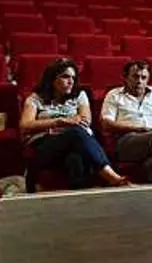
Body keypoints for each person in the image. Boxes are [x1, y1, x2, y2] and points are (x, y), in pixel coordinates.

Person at [19, 58, 129, 189]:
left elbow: (85, 121)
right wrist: (59, 122)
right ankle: (110, 176)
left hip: (75, 143)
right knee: (75, 133)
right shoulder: (35, 99)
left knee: (74, 159)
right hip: (45, 145)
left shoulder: (80, 95)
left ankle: (80, 196)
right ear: (52, 79)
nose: (70, 81)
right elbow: (26, 125)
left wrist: (67, 125)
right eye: (65, 77)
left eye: (73, 77)